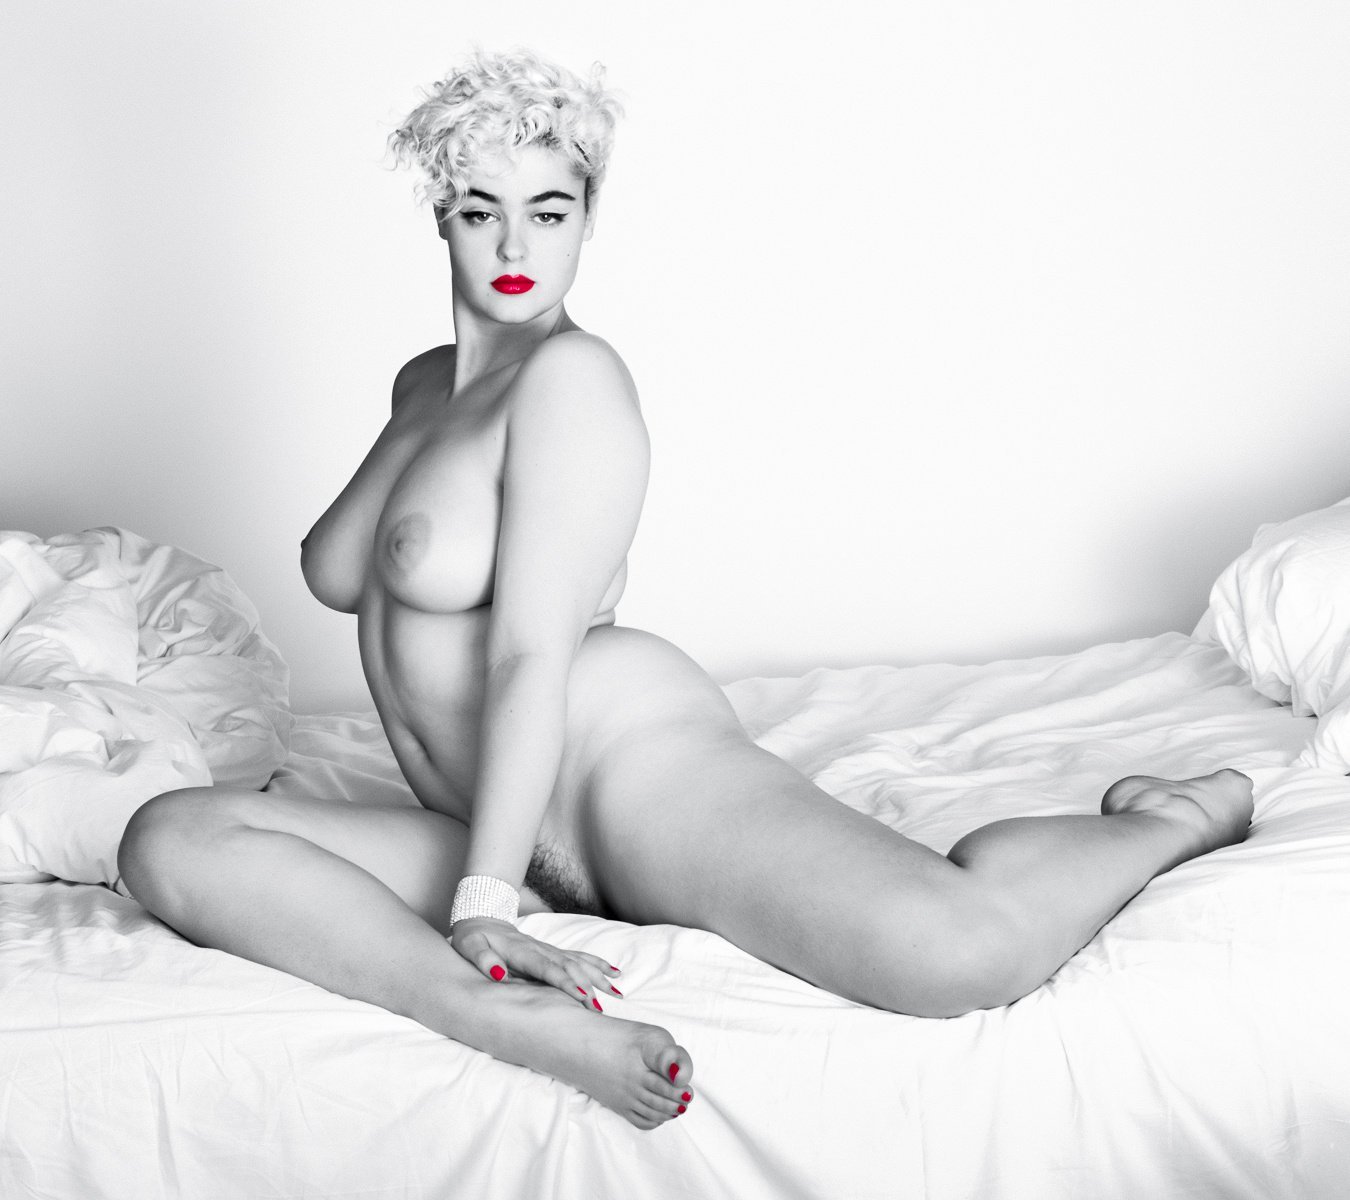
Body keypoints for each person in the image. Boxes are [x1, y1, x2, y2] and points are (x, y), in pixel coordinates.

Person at [117, 47, 1254, 1131]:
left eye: (549, 212)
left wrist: (482, 903)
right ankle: (488, 1010)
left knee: (958, 956)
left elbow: (527, 655)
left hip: (616, 770)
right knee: (172, 839)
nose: (514, 243)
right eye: (479, 209)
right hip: (489, 819)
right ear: (441, 217)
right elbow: (346, 563)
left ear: (588, 217)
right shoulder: (426, 387)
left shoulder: (571, 380)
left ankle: (1177, 816)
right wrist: (489, 886)